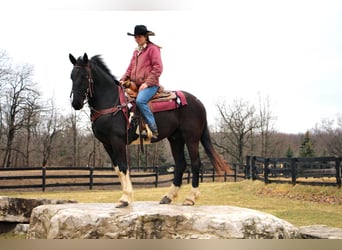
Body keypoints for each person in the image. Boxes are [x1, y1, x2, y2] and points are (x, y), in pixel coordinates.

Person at [120, 25, 163, 142]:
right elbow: (130, 68)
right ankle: (133, 128)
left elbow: (158, 67)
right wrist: (122, 80)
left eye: (139, 36)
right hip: (136, 85)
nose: (137, 39)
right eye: (135, 37)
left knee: (140, 100)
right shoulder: (136, 51)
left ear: (145, 37)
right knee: (124, 100)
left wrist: (148, 83)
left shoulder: (153, 49)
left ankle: (154, 130)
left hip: (150, 85)